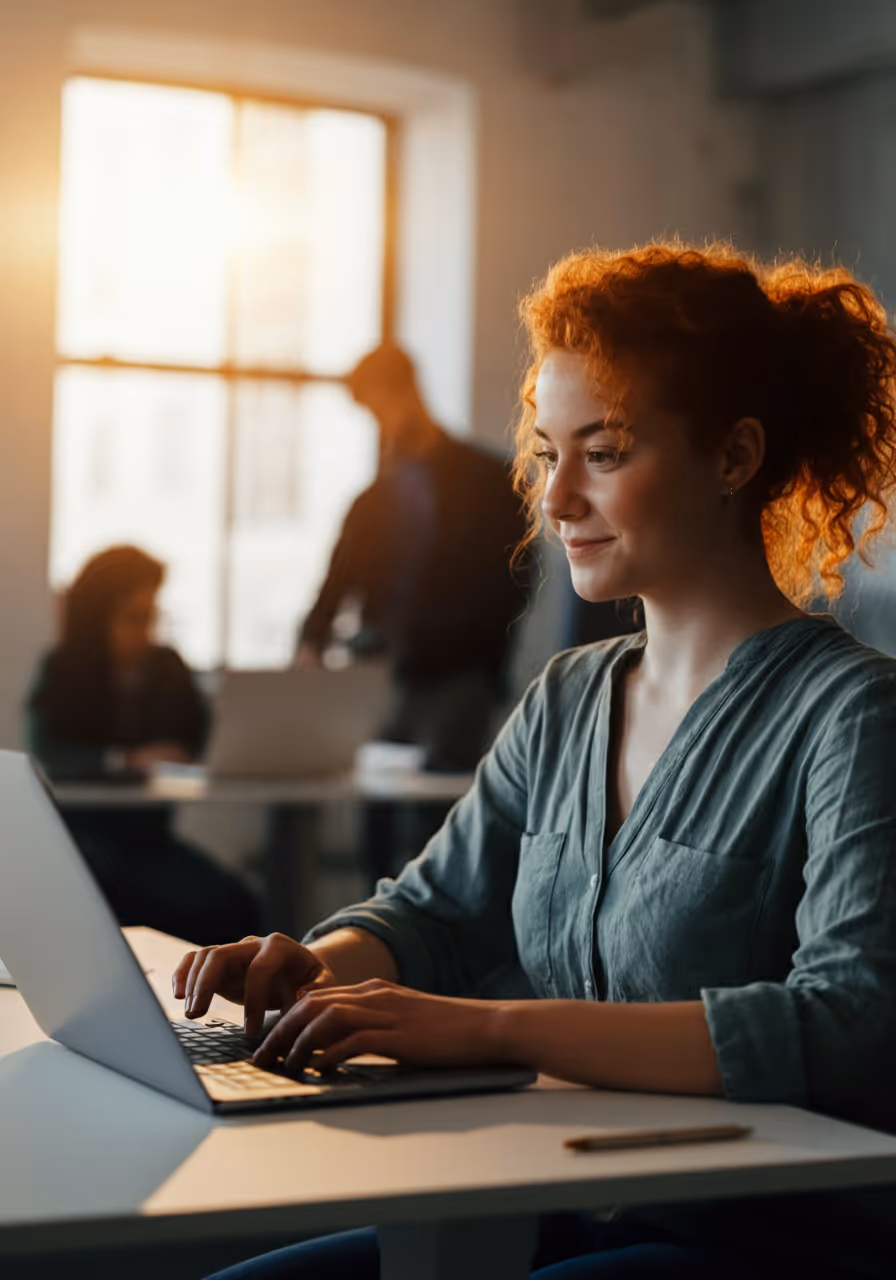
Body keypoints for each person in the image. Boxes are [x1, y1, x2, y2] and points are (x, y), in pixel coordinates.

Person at [176, 242, 896, 1279]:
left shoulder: (851, 714)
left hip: (765, 1235)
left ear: (733, 456)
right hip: (559, 1193)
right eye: (548, 452)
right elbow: (429, 915)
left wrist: (485, 1027)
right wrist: (314, 970)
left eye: (602, 452)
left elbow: (849, 1025)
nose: (555, 499)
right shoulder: (568, 695)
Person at [295, 341, 529, 773]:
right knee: (374, 810)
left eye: (378, 405)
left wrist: (470, 653)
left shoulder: (488, 483)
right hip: (380, 680)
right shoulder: (375, 499)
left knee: (439, 817)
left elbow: (511, 585)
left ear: (404, 390)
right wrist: (311, 640)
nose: (379, 422)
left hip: (457, 679)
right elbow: (338, 576)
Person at [26, 545, 259, 945]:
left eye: (151, 616)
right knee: (137, 901)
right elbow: (48, 751)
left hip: (148, 838)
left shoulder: (166, 666)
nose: (145, 630)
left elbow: (202, 738)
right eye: (133, 617)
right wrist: (124, 759)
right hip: (85, 839)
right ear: (98, 618)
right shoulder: (63, 669)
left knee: (237, 902)